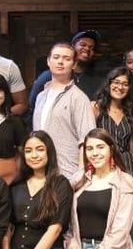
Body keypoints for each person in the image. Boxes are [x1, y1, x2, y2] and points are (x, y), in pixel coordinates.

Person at [32, 42, 96, 182]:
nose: (60, 62)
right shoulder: (40, 96)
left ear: (73, 64)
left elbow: (86, 140)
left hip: (67, 173)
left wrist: (80, 174)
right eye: (56, 57)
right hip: (41, 172)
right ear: (49, 61)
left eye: (67, 59)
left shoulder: (79, 97)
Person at [29, 29, 110, 107]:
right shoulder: (50, 75)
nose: (87, 49)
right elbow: (33, 105)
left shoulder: (97, 79)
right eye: (83, 45)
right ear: (73, 47)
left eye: (91, 47)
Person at [92, 67, 133, 174]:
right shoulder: (96, 108)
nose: (120, 87)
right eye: (116, 82)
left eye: (125, 84)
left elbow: (132, 147)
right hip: (104, 164)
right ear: (108, 84)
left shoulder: (131, 110)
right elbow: (89, 141)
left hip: (127, 165)